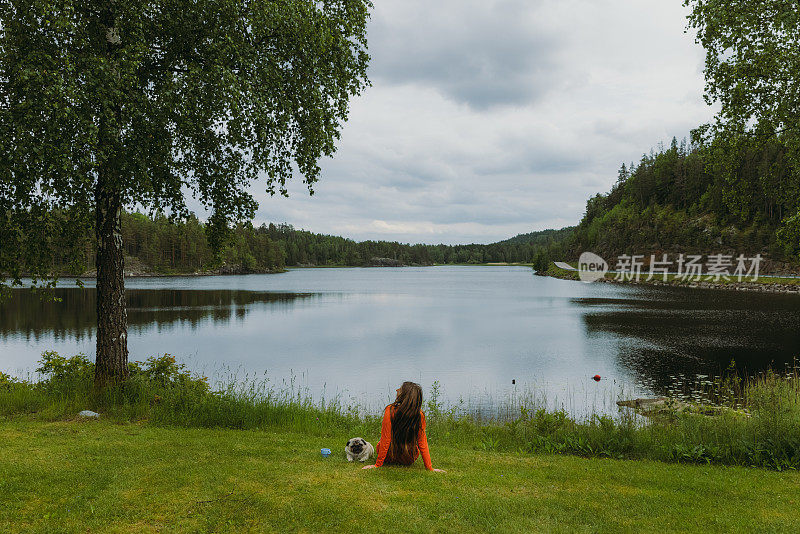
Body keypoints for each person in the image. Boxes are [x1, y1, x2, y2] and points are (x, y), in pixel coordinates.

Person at [362, 381, 446, 472]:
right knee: (416, 447)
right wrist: (429, 467)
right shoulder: (420, 414)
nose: (397, 390)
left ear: (404, 395)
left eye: (400, 390)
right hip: (409, 458)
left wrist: (378, 464)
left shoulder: (390, 410)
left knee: (379, 443)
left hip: (389, 457)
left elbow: (385, 439)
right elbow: (422, 442)